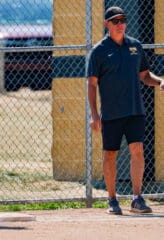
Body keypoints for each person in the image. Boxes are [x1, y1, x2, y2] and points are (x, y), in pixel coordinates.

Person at [87, 6, 164, 215]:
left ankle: (137, 199)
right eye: (115, 21)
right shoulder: (99, 51)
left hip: (135, 110)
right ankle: (112, 200)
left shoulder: (135, 46)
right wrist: (94, 115)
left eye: (122, 20)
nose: (120, 24)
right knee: (110, 153)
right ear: (107, 24)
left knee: (137, 150)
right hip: (111, 113)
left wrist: (160, 82)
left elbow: (145, 75)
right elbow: (92, 84)